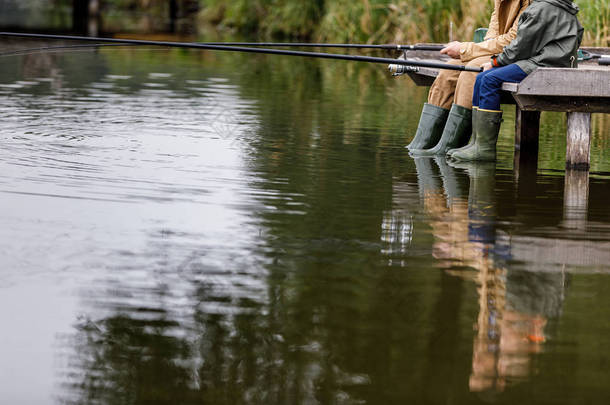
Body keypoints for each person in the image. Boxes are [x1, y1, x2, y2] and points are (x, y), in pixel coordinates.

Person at [450, 0, 584, 161]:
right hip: (550, 62)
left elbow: (520, 47)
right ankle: (475, 143)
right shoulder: (564, 7)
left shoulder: (540, 9)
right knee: (481, 78)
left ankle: (485, 149)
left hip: (543, 65)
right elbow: (578, 35)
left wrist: (495, 62)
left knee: (489, 79)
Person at [408, 0, 531, 156]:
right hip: (499, 49)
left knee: (470, 71)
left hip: (519, 55)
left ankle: (449, 146)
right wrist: (479, 49)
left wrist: (466, 48)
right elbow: (494, 31)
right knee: (448, 71)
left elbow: (513, 40)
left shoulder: (532, 3)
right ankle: (423, 142)